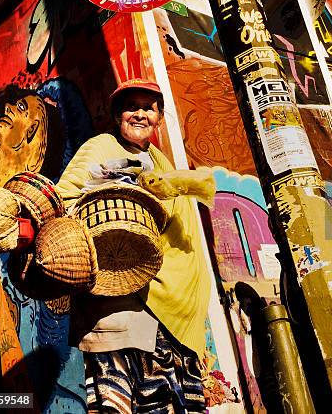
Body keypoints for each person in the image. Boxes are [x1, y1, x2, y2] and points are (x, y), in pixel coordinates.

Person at [55, 79, 211, 413]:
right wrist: (116, 188)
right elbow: (65, 198)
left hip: (172, 314)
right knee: (119, 404)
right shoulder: (100, 148)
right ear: (116, 115)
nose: (140, 114)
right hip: (120, 309)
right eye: (131, 107)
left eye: (148, 107)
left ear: (160, 116)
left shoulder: (161, 161)